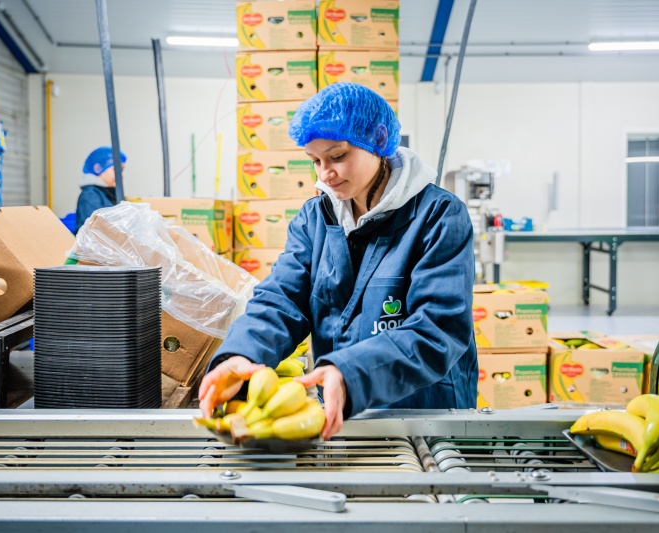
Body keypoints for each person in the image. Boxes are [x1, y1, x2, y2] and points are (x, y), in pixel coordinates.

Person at [199, 82, 477, 439]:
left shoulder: (439, 216)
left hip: (426, 416)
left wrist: (350, 374)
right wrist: (240, 354)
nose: (324, 174)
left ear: (377, 141)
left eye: (337, 156)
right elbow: (281, 300)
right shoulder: (315, 219)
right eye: (315, 161)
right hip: (343, 416)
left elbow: (438, 330)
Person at [74, 146, 126, 234]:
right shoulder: (90, 195)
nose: (121, 176)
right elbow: (96, 229)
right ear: (98, 168)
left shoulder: (108, 193)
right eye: (116, 170)